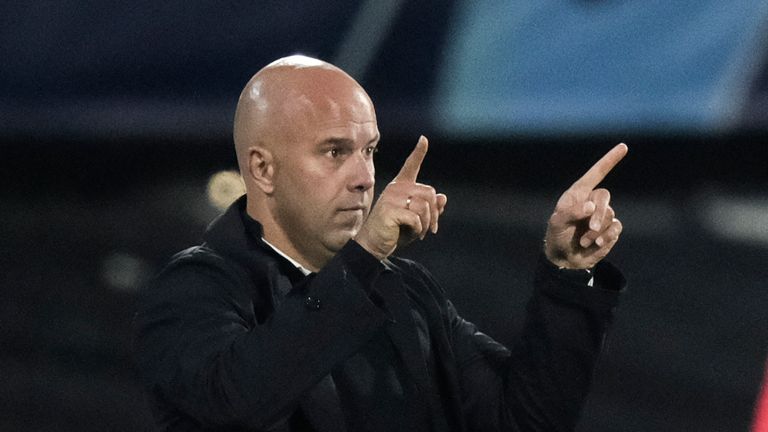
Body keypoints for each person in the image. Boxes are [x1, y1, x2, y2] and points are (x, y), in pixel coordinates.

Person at [134, 55, 628, 432]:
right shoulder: (196, 289)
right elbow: (239, 402)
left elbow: (520, 420)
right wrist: (364, 257)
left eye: (368, 151)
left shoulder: (404, 292)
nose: (364, 178)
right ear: (263, 169)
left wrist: (565, 274)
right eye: (335, 152)